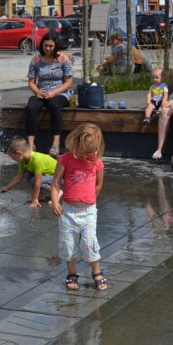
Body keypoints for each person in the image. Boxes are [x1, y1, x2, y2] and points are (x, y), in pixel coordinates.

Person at [51, 123, 107, 291]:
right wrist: (55, 201)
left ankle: (96, 272)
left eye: (95, 151)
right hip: (68, 211)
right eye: (88, 151)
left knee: (90, 244)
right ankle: (72, 273)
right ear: (77, 145)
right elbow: (55, 183)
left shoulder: (97, 162)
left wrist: (89, 199)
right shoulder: (66, 159)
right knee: (68, 245)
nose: (92, 154)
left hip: (88, 211)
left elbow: (98, 184)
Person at [26, 31, 74, 157]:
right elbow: (31, 82)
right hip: (42, 92)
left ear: (56, 46)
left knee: (54, 105)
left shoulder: (63, 59)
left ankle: (56, 142)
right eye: (45, 45)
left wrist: (54, 93)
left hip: (60, 92)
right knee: (31, 106)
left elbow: (68, 82)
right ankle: (31, 143)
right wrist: (37, 91)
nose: (47, 48)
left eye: (50, 46)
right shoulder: (36, 60)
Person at [1, 136, 58, 208]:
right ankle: (41, 195)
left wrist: (34, 199)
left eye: (12, 157)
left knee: (33, 180)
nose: (12, 159)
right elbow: (19, 176)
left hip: (58, 178)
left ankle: (56, 192)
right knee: (27, 175)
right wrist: (7, 187)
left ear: (18, 153)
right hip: (48, 176)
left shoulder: (36, 160)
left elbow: (38, 181)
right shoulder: (23, 160)